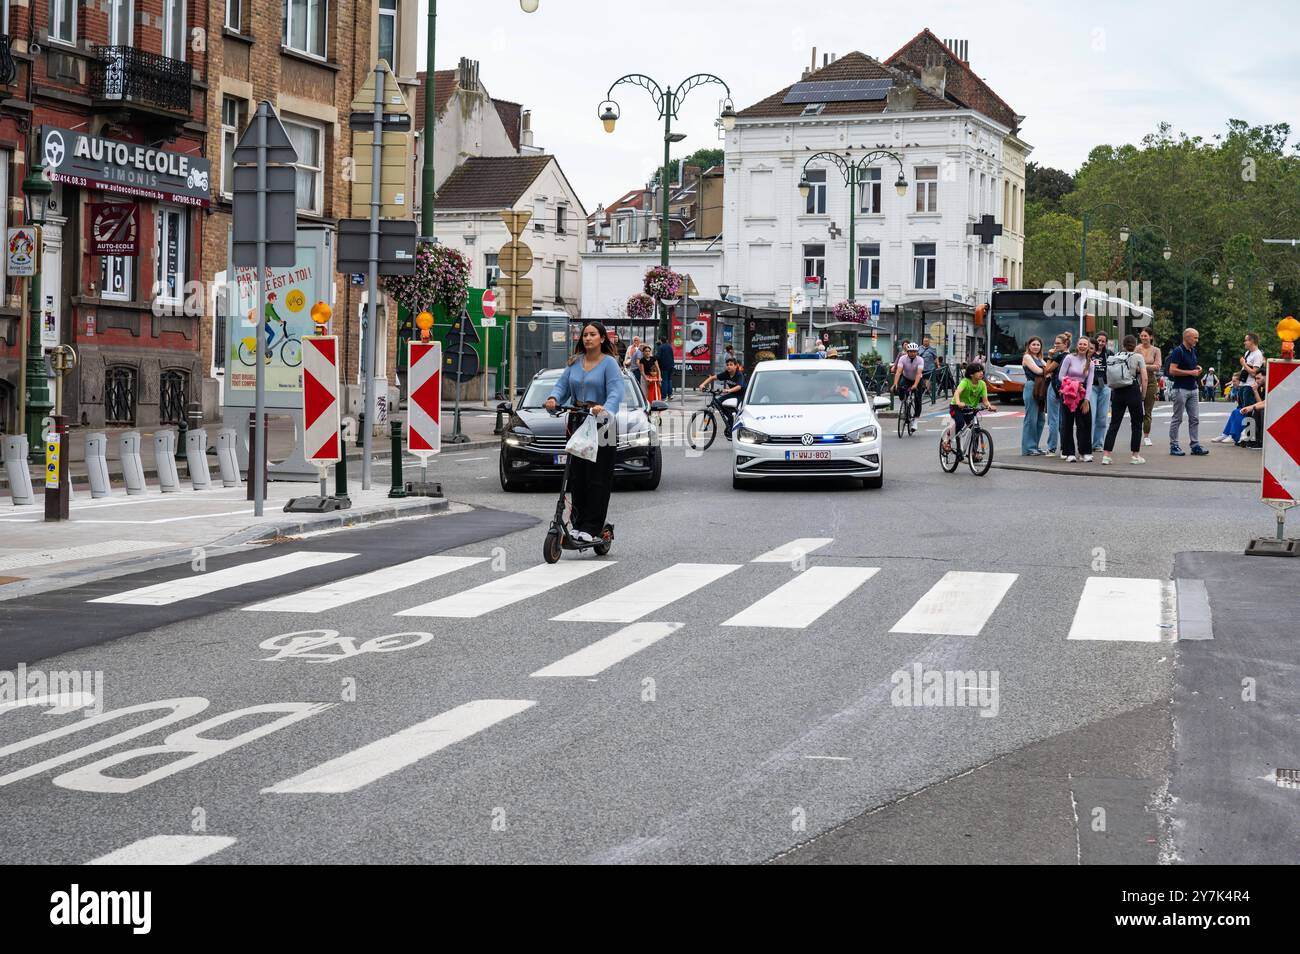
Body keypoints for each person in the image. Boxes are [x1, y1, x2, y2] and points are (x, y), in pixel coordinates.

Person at [544, 321, 623, 545]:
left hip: (602, 424)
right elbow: (561, 386)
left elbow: (616, 391)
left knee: (598, 477)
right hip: (578, 421)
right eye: (585, 335)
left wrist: (605, 409)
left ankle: (592, 526)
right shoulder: (574, 363)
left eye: (592, 334)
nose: (588, 338)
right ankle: (578, 524)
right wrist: (553, 399)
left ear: (602, 339)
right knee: (577, 475)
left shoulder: (609, 364)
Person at [1101, 335, 1148, 465]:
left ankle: (1106, 455)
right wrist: (1143, 395)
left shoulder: (1116, 356)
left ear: (1123, 344)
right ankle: (1135, 455)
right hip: (1132, 390)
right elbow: (1144, 378)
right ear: (1135, 345)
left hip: (1117, 391)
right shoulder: (1138, 357)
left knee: (1114, 424)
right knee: (1137, 424)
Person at [1167, 327, 1209, 456]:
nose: (1197, 340)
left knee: (1195, 418)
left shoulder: (1192, 350)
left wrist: (1196, 368)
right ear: (1187, 337)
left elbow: (1189, 367)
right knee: (1177, 418)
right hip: (1181, 389)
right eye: (1195, 337)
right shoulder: (1178, 351)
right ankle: (1174, 445)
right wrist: (1191, 372)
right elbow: (1172, 370)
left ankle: (1195, 445)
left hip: (1193, 388)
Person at [942, 362, 994, 454]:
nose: (981, 373)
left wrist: (989, 406)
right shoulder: (965, 382)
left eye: (982, 371)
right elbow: (957, 393)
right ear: (971, 374)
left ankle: (974, 453)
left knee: (976, 429)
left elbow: (985, 400)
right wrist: (958, 403)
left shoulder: (982, 384)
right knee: (960, 423)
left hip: (971, 409)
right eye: (978, 371)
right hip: (956, 407)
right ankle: (947, 440)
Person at [1057, 335, 1094, 462]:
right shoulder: (1069, 358)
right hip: (1069, 392)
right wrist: (1073, 384)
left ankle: (1085, 452)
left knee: (1084, 423)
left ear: (1088, 347)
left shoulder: (1091, 363)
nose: (1082, 346)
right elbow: (1061, 376)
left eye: (1085, 344)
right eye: (1080, 344)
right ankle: (1069, 452)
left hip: (1082, 393)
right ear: (1077, 345)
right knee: (1067, 423)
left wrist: (1087, 400)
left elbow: (1089, 383)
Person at [699, 357, 747, 437]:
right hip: (732, 393)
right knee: (717, 402)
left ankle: (733, 421)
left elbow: (739, 387)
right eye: (727, 365)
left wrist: (728, 390)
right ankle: (728, 417)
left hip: (741, 395)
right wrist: (703, 384)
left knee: (734, 410)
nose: (728, 366)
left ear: (736, 366)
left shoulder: (739, 375)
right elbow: (712, 377)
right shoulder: (726, 374)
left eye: (731, 365)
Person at [1044, 332, 1072, 456]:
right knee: (1064, 419)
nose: (1055, 346)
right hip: (1066, 388)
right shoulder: (1071, 356)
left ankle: (1051, 448)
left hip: (1055, 387)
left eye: (1058, 343)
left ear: (1065, 344)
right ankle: (1064, 449)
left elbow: (1047, 370)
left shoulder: (1059, 357)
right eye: (1055, 343)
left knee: (1053, 419)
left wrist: (1050, 356)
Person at [1020, 336, 1047, 455]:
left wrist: (1048, 369)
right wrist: (1048, 370)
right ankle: (1028, 449)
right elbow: (1038, 371)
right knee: (1031, 419)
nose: (1036, 347)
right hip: (1031, 386)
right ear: (1029, 346)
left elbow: (1046, 368)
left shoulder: (1039, 358)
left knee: (1040, 419)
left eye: (1038, 345)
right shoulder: (1027, 357)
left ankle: (1035, 446)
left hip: (1040, 388)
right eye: (1033, 344)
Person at [1136, 328, 1161, 447]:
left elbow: (1157, 366)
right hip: (1137, 380)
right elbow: (1132, 365)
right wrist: (1145, 367)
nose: (1143, 338)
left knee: (1148, 411)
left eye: (1146, 336)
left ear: (1151, 337)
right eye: (1142, 336)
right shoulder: (1137, 349)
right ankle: (1135, 434)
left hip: (1151, 381)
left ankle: (1146, 436)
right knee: (1136, 410)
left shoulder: (1156, 350)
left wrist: (1142, 366)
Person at [892, 341, 925, 432]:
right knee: (901, 390)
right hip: (906, 378)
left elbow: (918, 374)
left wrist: (915, 385)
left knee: (918, 399)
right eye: (910, 351)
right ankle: (904, 405)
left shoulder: (920, 360)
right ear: (907, 351)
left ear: (917, 352)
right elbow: (898, 372)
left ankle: (915, 421)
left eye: (914, 351)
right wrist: (895, 384)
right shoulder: (902, 358)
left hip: (917, 380)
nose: (912, 353)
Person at [1089, 333, 1112, 451]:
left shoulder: (1109, 354)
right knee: (1091, 416)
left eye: (1103, 341)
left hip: (1105, 387)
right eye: (1099, 340)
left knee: (1102, 417)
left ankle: (1098, 444)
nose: (1101, 343)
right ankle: (1087, 443)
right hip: (1091, 386)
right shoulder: (1090, 353)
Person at [1240, 333, 1265, 408]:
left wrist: (1244, 364)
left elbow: (1254, 373)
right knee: (1241, 408)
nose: (1244, 342)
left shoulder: (1257, 354)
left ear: (1252, 341)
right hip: (1243, 384)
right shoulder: (1248, 352)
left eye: (1246, 340)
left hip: (1250, 386)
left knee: (1247, 409)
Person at [918, 335, 939, 404]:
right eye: (924, 341)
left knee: (928, 379)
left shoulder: (932, 349)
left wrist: (938, 365)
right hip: (921, 367)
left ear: (929, 341)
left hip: (930, 367)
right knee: (921, 379)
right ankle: (923, 390)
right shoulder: (919, 348)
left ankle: (927, 391)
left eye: (927, 341)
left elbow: (936, 358)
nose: (925, 342)